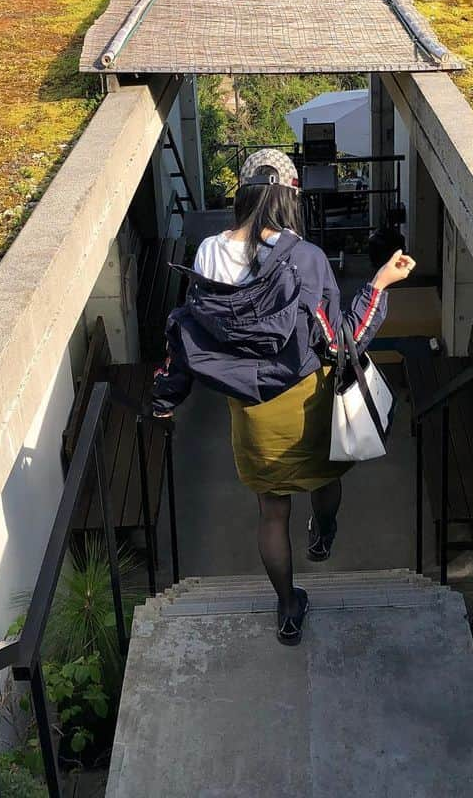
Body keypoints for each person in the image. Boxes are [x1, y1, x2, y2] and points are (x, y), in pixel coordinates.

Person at [150, 148, 416, 645]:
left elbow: (189, 331)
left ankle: (289, 608)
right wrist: (379, 283)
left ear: (244, 194)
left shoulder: (207, 253)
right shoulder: (306, 258)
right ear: (289, 198)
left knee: (271, 512)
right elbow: (340, 339)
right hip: (306, 398)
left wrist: (167, 397)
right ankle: (323, 530)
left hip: (249, 410)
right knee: (326, 475)